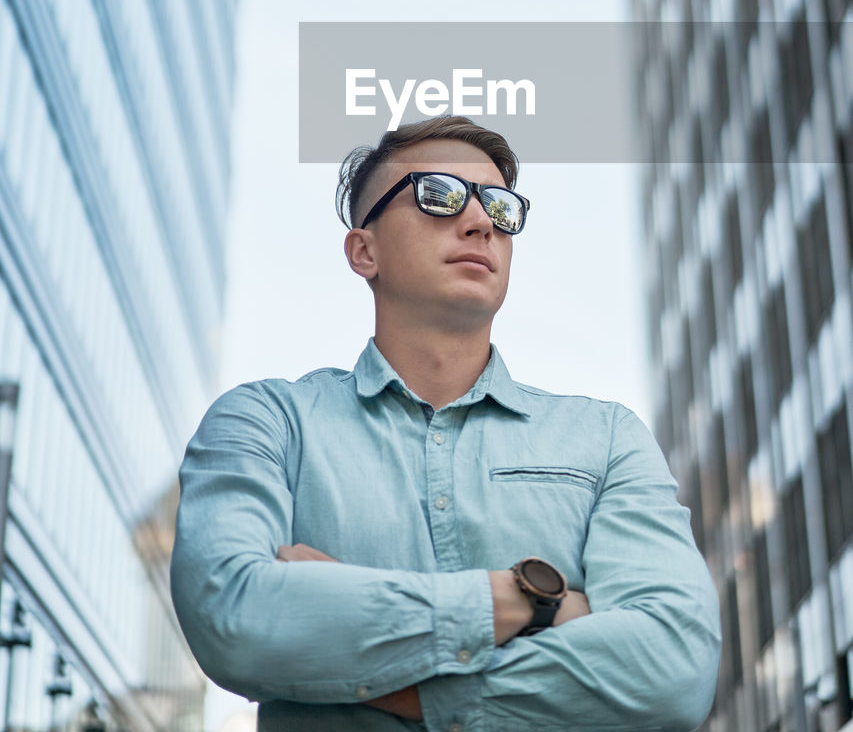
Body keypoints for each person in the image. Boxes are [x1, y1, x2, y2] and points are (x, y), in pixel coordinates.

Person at [171, 116, 721, 730]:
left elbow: (675, 669)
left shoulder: (607, 439)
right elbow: (233, 617)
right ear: (364, 251)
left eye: (500, 207)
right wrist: (534, 602)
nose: (481, 222)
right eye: (439, 195)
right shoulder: (268, 425)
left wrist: (395, 676)